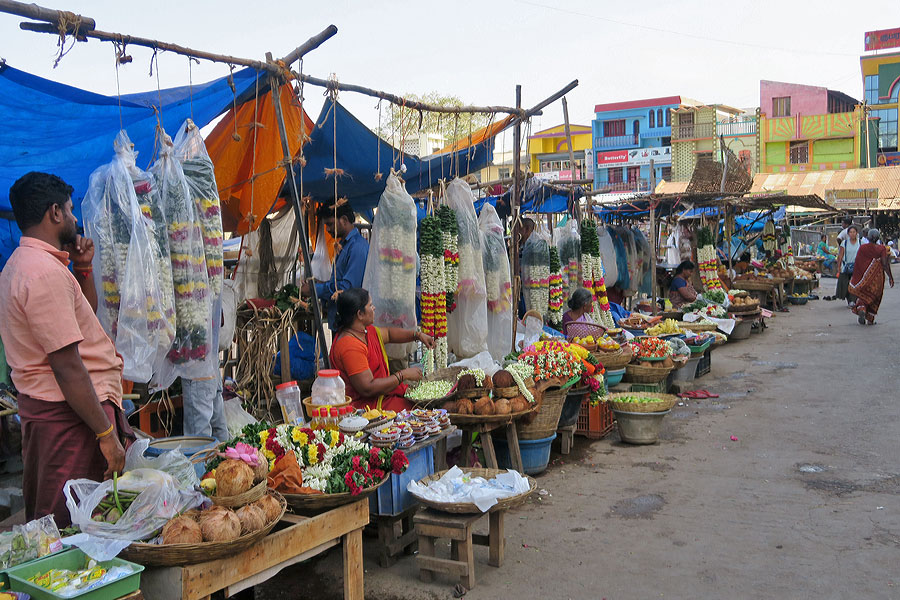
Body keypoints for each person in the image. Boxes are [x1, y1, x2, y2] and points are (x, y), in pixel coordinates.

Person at [0, 172, 132, 527]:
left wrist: (83, 268)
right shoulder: (41, 273)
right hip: (68, 417)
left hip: (64, 413)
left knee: (73, 518)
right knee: (67, 524)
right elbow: (67, 366)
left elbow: (79, 323)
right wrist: (106, 435)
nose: (76, 219)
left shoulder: (28, 265)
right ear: (54, 213)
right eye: (71, 211)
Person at [328, 288, 434, 412]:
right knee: (423, 409)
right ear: (360, 314)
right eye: (370, 305)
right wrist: (403, 374)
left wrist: (418, 335)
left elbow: (389, 334)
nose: (374, 308)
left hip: (381, 397)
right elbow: (368, 388)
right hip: (365, 407)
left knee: (427, 401)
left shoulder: (365, 331)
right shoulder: (349, 346)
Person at [302, 201, 369, 332]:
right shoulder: (344, 245)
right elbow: (340, 283)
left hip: (351, 324)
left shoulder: (357, 247)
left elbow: (346, 288)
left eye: (330, 224)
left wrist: (314, 289)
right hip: (342, 323)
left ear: (344, 220)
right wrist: (320, 283)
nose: (327, 229)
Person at [849, 229, 894, 325]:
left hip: (864, 279)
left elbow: (858, 263)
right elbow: (885, 264)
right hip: (877, 279)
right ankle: (870, 318)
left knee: (863, 295)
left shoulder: (862, 248)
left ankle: (862, 308)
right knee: (876, 297)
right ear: (878, 238)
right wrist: (890, 276)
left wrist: (858, 277)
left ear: (868, 237)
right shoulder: (881, 248)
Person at [834, 225, 861, 305]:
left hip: (857, 267)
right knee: (846, 285)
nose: (852, 234)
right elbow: (840, 256)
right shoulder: (844, 243)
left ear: (857, 233)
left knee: (855, 284)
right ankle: (849, 300)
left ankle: (853, 300)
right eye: (850, 232)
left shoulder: (860, 242)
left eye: (854, 232)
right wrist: (838, 268)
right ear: (848, 234)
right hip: (845, 267)